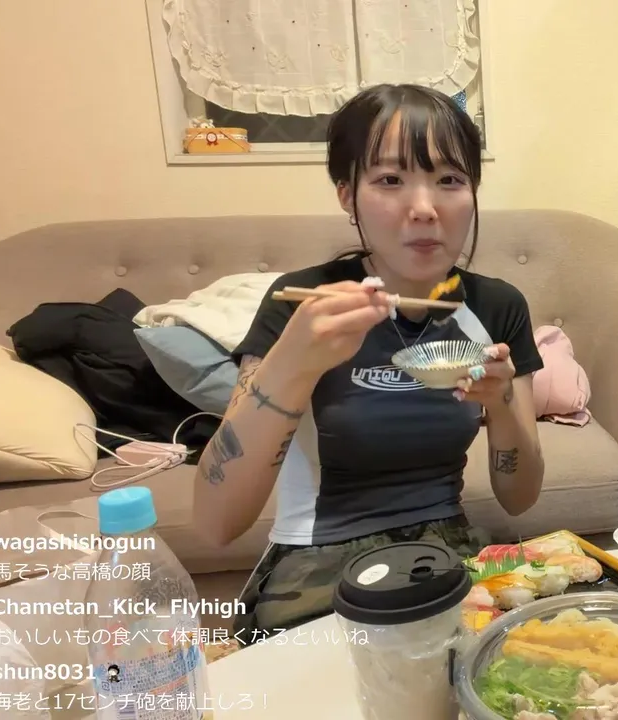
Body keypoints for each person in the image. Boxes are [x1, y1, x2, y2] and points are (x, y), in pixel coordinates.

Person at [190, 84, 545, 643]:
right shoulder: (304, 302)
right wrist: (291, 365)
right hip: (316, 561)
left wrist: (501, 403)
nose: (424, 208)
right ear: (346, 194)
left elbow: (520, 498)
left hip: (446, 552)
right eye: (389, 180)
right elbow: (216, 524)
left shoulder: (497, 307)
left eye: (450, 180)